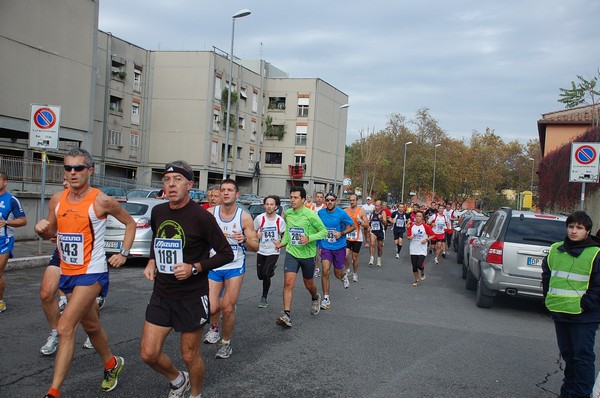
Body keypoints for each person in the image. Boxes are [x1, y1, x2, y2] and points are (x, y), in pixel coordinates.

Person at [35, 148, 136, 397]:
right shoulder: (57, 199)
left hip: (92, 272)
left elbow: (130, 223)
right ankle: (112, 364)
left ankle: (53, 391)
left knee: (65, 327)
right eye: (68, 168)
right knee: (91, 326)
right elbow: (52, 234)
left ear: (89, 171)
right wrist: (42, 230)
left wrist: (123, 252)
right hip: (67, 271)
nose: (72, 173)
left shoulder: (101, 200)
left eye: (78, 168)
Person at [140, 161, 234, 398]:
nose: (171, 185)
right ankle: (177, 379)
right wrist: (152, 260)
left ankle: (195, 394)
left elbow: (226, 253)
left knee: (190, 355)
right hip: (162, 293)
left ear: (189, 185)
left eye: (178, 180)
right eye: (167, 180)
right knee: (148, 353)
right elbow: (157, 239)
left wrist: (195, 267)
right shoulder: (158, 212)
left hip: (192, 295)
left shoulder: (201, 217)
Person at [542, 211, 600, 398]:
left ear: (587, 231)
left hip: (584, 315)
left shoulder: (595, 253)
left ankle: (581, 394)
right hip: (560, 311)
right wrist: (548, 298)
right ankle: (568, 392)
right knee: (568, 356)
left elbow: (598, 285)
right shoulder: (556, 249)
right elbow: (547, 274)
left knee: (582, 357)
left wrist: (585, 304)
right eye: (571, 227)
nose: (574, 231)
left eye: (579, 228)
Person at [39, 178, 100, 355]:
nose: (65, 182)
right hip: (63, 253)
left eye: (68, 179)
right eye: (63, 179)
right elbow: (51, 229)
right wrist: (45, 231)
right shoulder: (58, 199)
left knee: (84, 301)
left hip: (87, 257)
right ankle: (55, 333)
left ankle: (93, 329)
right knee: (46, 292)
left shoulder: (95, 199)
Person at [203, 179, 258, 359]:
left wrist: (244, 239)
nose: (226, 193)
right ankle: (214, 327)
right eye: (223, 190)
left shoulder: (244, 217)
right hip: (214, 265)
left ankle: (226, 343)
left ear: (237, 194)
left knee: (227, 307)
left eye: (230, 190)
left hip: (234, 265)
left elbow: (255, 247)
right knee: (212, 307)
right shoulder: (210, 213)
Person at [274, 186, 327, 328]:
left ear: (303, 200)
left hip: (307, 254)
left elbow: (323, 232)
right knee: (288, 283)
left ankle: (315, 297)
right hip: (292, 253)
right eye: (291, 197)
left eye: (295, 197)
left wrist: (309, 238)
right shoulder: (288, 213)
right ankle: (286, 314)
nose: (292, 200)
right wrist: (282, 243)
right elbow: (288, 232)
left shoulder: (310, 215)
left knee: (308, 284)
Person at [317, 193, 355, 309]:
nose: (329, 202)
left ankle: (343, 277)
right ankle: (326, 299)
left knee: (337, 273)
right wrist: (319, 245)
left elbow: (353, 226)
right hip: (326, 246)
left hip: (339, 246)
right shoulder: (320, 213)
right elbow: (317, 228)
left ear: (336, 201)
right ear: (325, 201)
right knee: (325, 271)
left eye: (332, 200)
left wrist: (341, 233)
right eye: (327, 200)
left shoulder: (341, 213)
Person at [0, 171, 27, 313]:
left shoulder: (11, 200)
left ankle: (0, 302)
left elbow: (23, 220)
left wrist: (7, 222)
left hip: (4, 241)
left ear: (5, 182)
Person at [253, 195, 286, 308]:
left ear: (276, 206)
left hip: (273, 251)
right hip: (261, 250)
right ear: (264, 206)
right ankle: (270, 271)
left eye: (272, 204)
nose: (269, 206)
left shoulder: (279, 220)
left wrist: (281, 243)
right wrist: (256, 235)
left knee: (266, 273)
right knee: (260, 276)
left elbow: (285, 235)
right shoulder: (259, 218)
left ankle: (264, 297)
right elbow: (252, 231)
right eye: (267, 204)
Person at [407, 210, 435, 287]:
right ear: (415, 217)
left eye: (420, 216)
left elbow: (433, 235)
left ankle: (422, 271)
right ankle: (416, 280)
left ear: (422, 218)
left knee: (419, 265)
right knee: (414, 267)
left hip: (422, 249)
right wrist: (410, 237)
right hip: (413, 248)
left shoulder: (425, 226)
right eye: (417, 216)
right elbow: (408, 236)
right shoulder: (412, 226)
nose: (418, 218)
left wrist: (426, 240)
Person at [344, 193, 368, 282]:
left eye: (353, 200)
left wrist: (360, 221)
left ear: (357, 201)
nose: (352, 202)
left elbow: (367, 224)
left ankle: (355, 273)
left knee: (354, 257)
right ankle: (348, 270)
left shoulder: (361, 211)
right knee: (345, 256)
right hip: (347, 236)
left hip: (357, 237)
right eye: (350, 200)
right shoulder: (346, 211)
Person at [368, 200, 387, 267]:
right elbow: (370, 221)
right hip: (373, 231)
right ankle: (371, 258)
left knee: (380, 247)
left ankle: (379, 258)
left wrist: (381, 219)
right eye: (375, 205)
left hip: (380, 231)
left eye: (378, 206)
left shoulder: (383, 212)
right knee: (372, 244)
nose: (376, 207)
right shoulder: (372, 212)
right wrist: (369, 226)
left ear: (381, 206)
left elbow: (385, 223)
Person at [312, 191, 326, 278]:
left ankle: (325, 266)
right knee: (314, 253)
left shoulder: (325, 208)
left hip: (323, 233)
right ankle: (317, 269)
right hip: (314, 233)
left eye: (321, 197)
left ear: (323, 199)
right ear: (315, 198)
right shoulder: (311, 207)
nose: (319, 199)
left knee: (322, 253)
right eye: (317, 197)